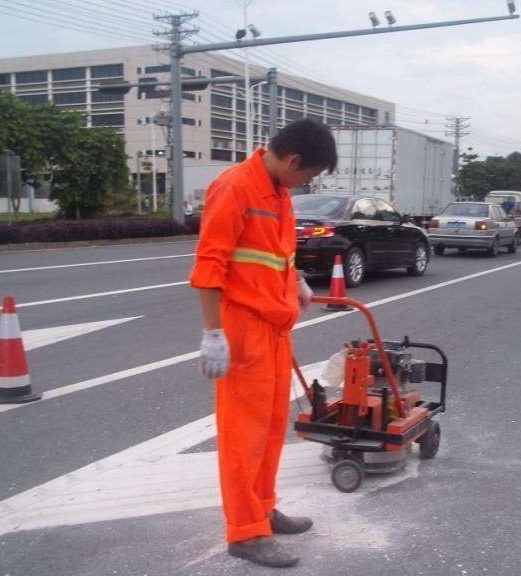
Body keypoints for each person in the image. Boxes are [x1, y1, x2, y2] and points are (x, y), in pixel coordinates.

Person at [189, 119, 337, 568]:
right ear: (292, 160)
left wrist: (298, 281)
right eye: (308, 175)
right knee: (243, 436)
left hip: (273, 327)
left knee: (272, 429)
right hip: (242, 328)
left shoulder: (279, 193)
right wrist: (213, 334)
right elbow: (210, 265)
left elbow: (277, 254)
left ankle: (264, 509)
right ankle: (245, 532)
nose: (307, 183)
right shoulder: (234, 188)